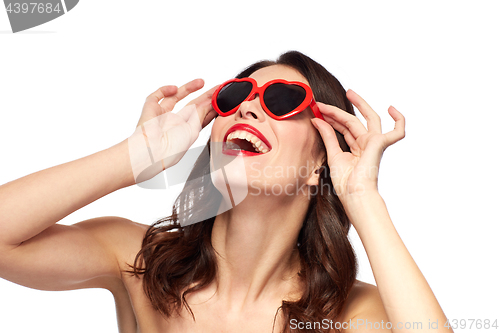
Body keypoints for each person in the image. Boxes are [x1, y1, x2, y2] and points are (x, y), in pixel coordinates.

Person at [0, 51, 452, 332]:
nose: (250, 107)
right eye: (236, 96)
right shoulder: (136, 260)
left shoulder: (348, 316)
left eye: (280, 100)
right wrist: (134, 158)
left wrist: (363, 198)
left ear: (321, 161)